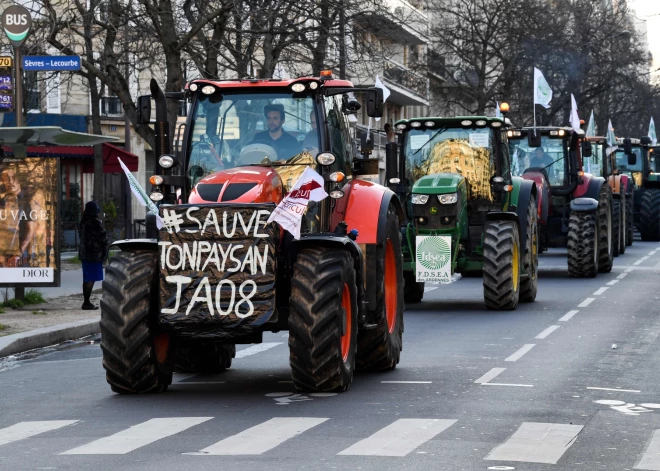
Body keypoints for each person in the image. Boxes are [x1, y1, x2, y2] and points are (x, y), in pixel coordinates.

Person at [0, 165, 39, 267]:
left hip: (20, 253)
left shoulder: (28, 201)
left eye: (13, 179)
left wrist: (20, 252)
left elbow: (31, 229)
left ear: (19, 180)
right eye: (6, 179)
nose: (10, 182)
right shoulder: (4, 200)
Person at [79, 201, 108, 310]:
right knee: (91, 278)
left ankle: (86, 301)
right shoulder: (94, 223)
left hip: (84, 254)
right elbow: (102, 237)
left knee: (86, 278)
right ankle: (86, 302)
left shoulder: (83, 222)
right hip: (93, 254)